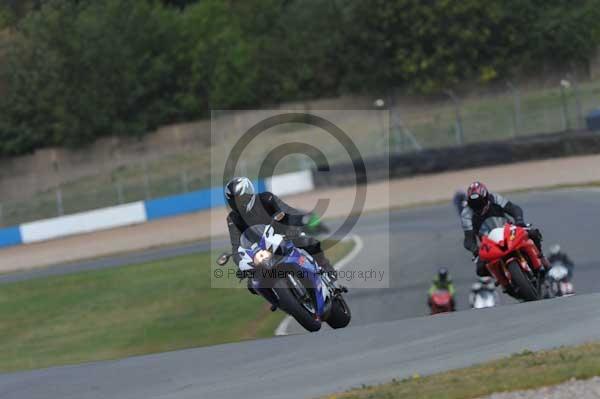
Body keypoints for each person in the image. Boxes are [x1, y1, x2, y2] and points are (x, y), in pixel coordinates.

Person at [225, 176, 334, 277]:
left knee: (309, 242)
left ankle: (326, 268)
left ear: (248, 193)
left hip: (284, 237)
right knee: (252, 284)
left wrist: (301, 220)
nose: (238, 203)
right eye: (234, 201)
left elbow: (287, 212)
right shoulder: (233, 219)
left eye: (239, 199)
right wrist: (241, 264)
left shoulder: (266, 199)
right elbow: (236, 246)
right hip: (260, 251)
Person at [460, 181, 548, 277]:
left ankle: (542, 260)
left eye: (479, 202)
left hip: (509, 231)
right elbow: (468, 239)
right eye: (473, 204)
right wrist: (475, 250)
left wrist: (519, 221)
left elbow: (514, 209)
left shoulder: (495, 198)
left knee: (533, 234)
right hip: (489, 243)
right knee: (480, 269)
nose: (477, 206)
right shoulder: (466, 214)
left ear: (486, 198)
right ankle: (504, 283)